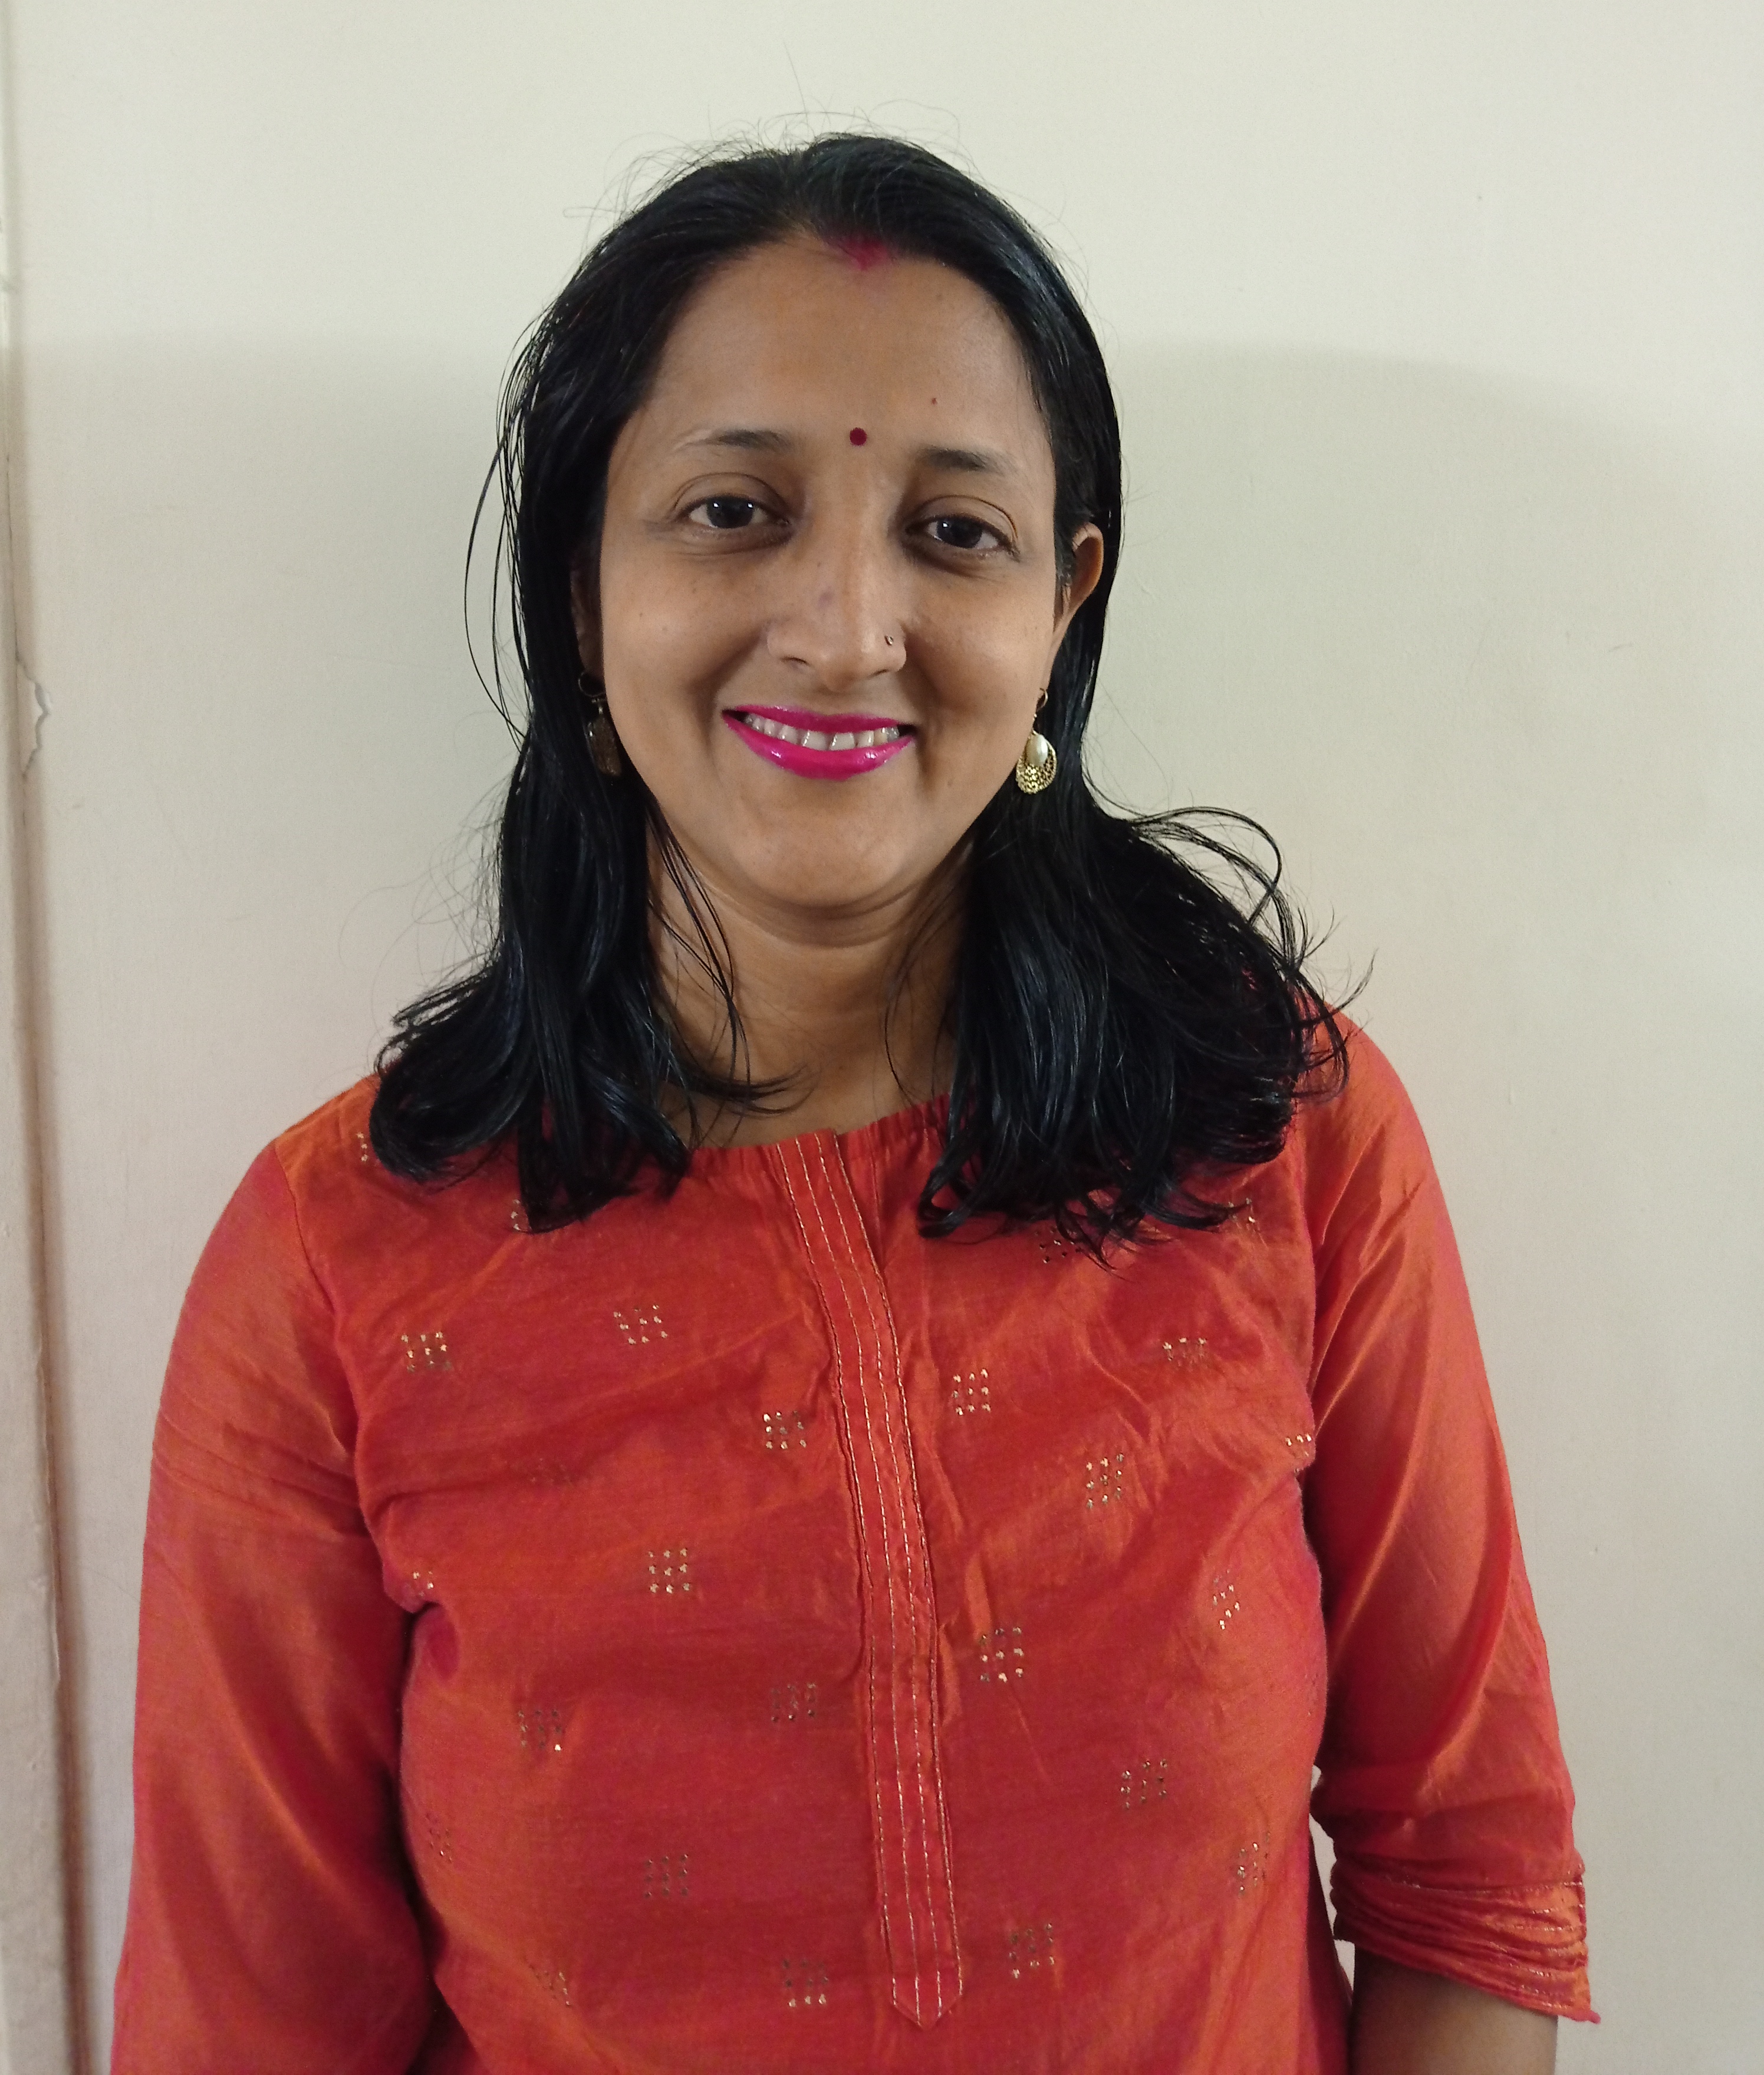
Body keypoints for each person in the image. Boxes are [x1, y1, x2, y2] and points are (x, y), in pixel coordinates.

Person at [112, 136, 1591, 2073]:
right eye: (734, 511)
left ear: (1064, 606)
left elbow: (1470, 1879)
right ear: (583, 590)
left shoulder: (1282, 1137)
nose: (844, 626)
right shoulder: (338, 1267)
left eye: (953, 533)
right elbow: (245, 2027)